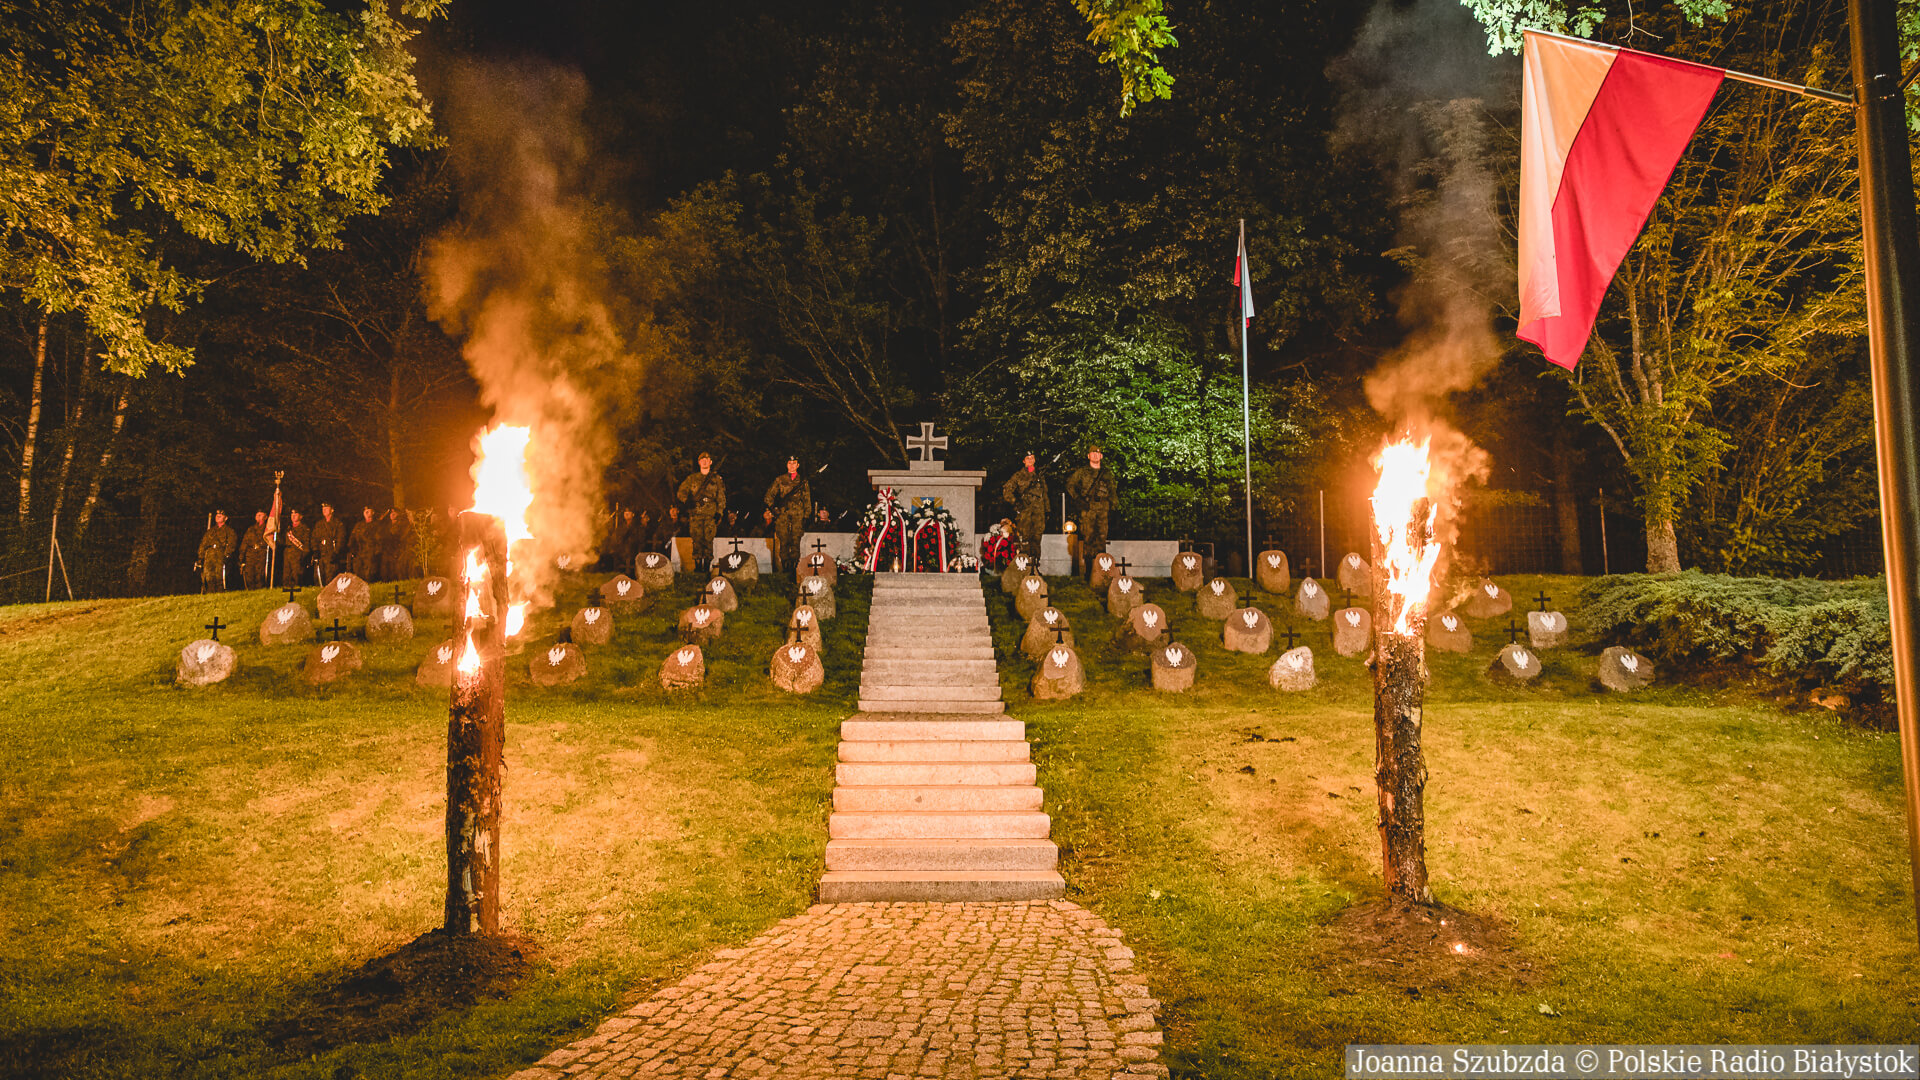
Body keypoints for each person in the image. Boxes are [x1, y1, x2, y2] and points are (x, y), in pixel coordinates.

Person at [1065, 444, 1117, 576]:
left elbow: (1112, 491)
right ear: (1088, 456)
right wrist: (1078, 500)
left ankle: (1101, 570)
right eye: (1093, 453)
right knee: (1088, 538)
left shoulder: (1106, 473)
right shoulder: (1082, 472)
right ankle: (1088, 571)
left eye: (1097, 453)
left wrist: (1113, 508)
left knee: (1101, 538)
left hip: (1103, 509)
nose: (1095, 455)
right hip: (1088, 509)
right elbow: (1070, 485)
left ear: (1101, 456)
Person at [675, 452, 725, 574]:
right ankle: (698, 567)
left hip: (710, 515)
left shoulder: (716, 479)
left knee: (708, 540)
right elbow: (681, 492)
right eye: (702, 459)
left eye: (707, 459)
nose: (704, 461)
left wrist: (719, 512)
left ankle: (706, 567)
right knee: (696, 540)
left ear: (710, 462)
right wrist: (687, 501)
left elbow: (721, 497)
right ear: (699, 462)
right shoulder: (692, 478)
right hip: (695, 514)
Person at [764, 455, 813, 573]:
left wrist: (806, 516)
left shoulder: (803, 481)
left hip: (798, 514)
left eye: (794, 463)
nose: (792, 465)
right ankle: (785, 566)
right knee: (783, 540)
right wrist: (773, 509)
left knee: (796, 540)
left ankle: (794, 567)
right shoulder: (780, 479)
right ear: (786, 465)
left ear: (798, 465)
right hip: (783, 514)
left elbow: (807, 499)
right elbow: (768, 496)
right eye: (790, 463)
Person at [1000, 450, 1049, 561]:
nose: (1030, 460)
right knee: (1024, 539)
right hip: (1025, 512)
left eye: (1032, 458)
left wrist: (1047, 509)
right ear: (1023, 461)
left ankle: (1035, 565)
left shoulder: (1040, 475)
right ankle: (1024, 565)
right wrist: (1015, 502)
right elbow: (1007, 490)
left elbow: (1044, 493)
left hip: (1039, 512)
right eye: (1028, 458)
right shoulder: (1018, 475)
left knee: (1037, 538)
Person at [196, 510, 237, 592]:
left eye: (221, 515)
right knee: (208, 578)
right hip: (209, 556)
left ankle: (220, 595)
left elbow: (231, 544)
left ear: (226, 518)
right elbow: (203, 544)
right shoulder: (210, 531)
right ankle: (210, 594)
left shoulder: (229, 531)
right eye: (217, 515)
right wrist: (200, 557)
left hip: (220, 556)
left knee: (219, 578)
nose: (218, 516)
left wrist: (226, 555)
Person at [311, 502, 346, 584]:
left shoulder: (337, 524)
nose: (324, 510)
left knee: (330, 579)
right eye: (323, 508)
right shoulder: (319, 524)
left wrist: (336, 552)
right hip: (321, 555)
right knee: (318, 579)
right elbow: (314, 538)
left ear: (332, 510)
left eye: (326, 508)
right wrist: (315, 550)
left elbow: (341, 539)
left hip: (331, 555)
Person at [347, 506, 382, 580]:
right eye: (365, 512)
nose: (367, 513)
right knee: (359, 574)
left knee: (369, 575)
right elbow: (352, 538)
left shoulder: (377, 525)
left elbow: (379, 540)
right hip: (359, 553)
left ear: (373, 512)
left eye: (368, 511)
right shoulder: (359, 525)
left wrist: (375, 552)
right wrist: (352, 549)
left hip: (370, 554)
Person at [280, 509, 312, 586]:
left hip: (298, 555)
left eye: (296, 513)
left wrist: (303, 557)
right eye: (292, 513)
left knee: (297, 577)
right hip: (287, 554)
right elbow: (282, 541)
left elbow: (306, 546)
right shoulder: (288, 528)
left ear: (301, 516)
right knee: (286, 577)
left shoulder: (304, 529)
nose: (293, 515)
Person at [240, 510, 270, 590]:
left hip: (262, 554)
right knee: (249, 576)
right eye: (257, 514)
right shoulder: (251, 529)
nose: (258, 515)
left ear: (266, 517)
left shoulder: (268, 529)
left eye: (261, 514)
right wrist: (241, 557)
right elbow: (244, 543)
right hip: (250, 554)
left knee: (259, 576)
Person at [382, 508, 415, 581]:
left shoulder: (403, 525)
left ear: (399, 514)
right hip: (389, 551)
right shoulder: (387, 526)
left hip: (400, 550)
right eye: (391, 513)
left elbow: (402, 537)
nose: (392, 514)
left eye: (395, 513)